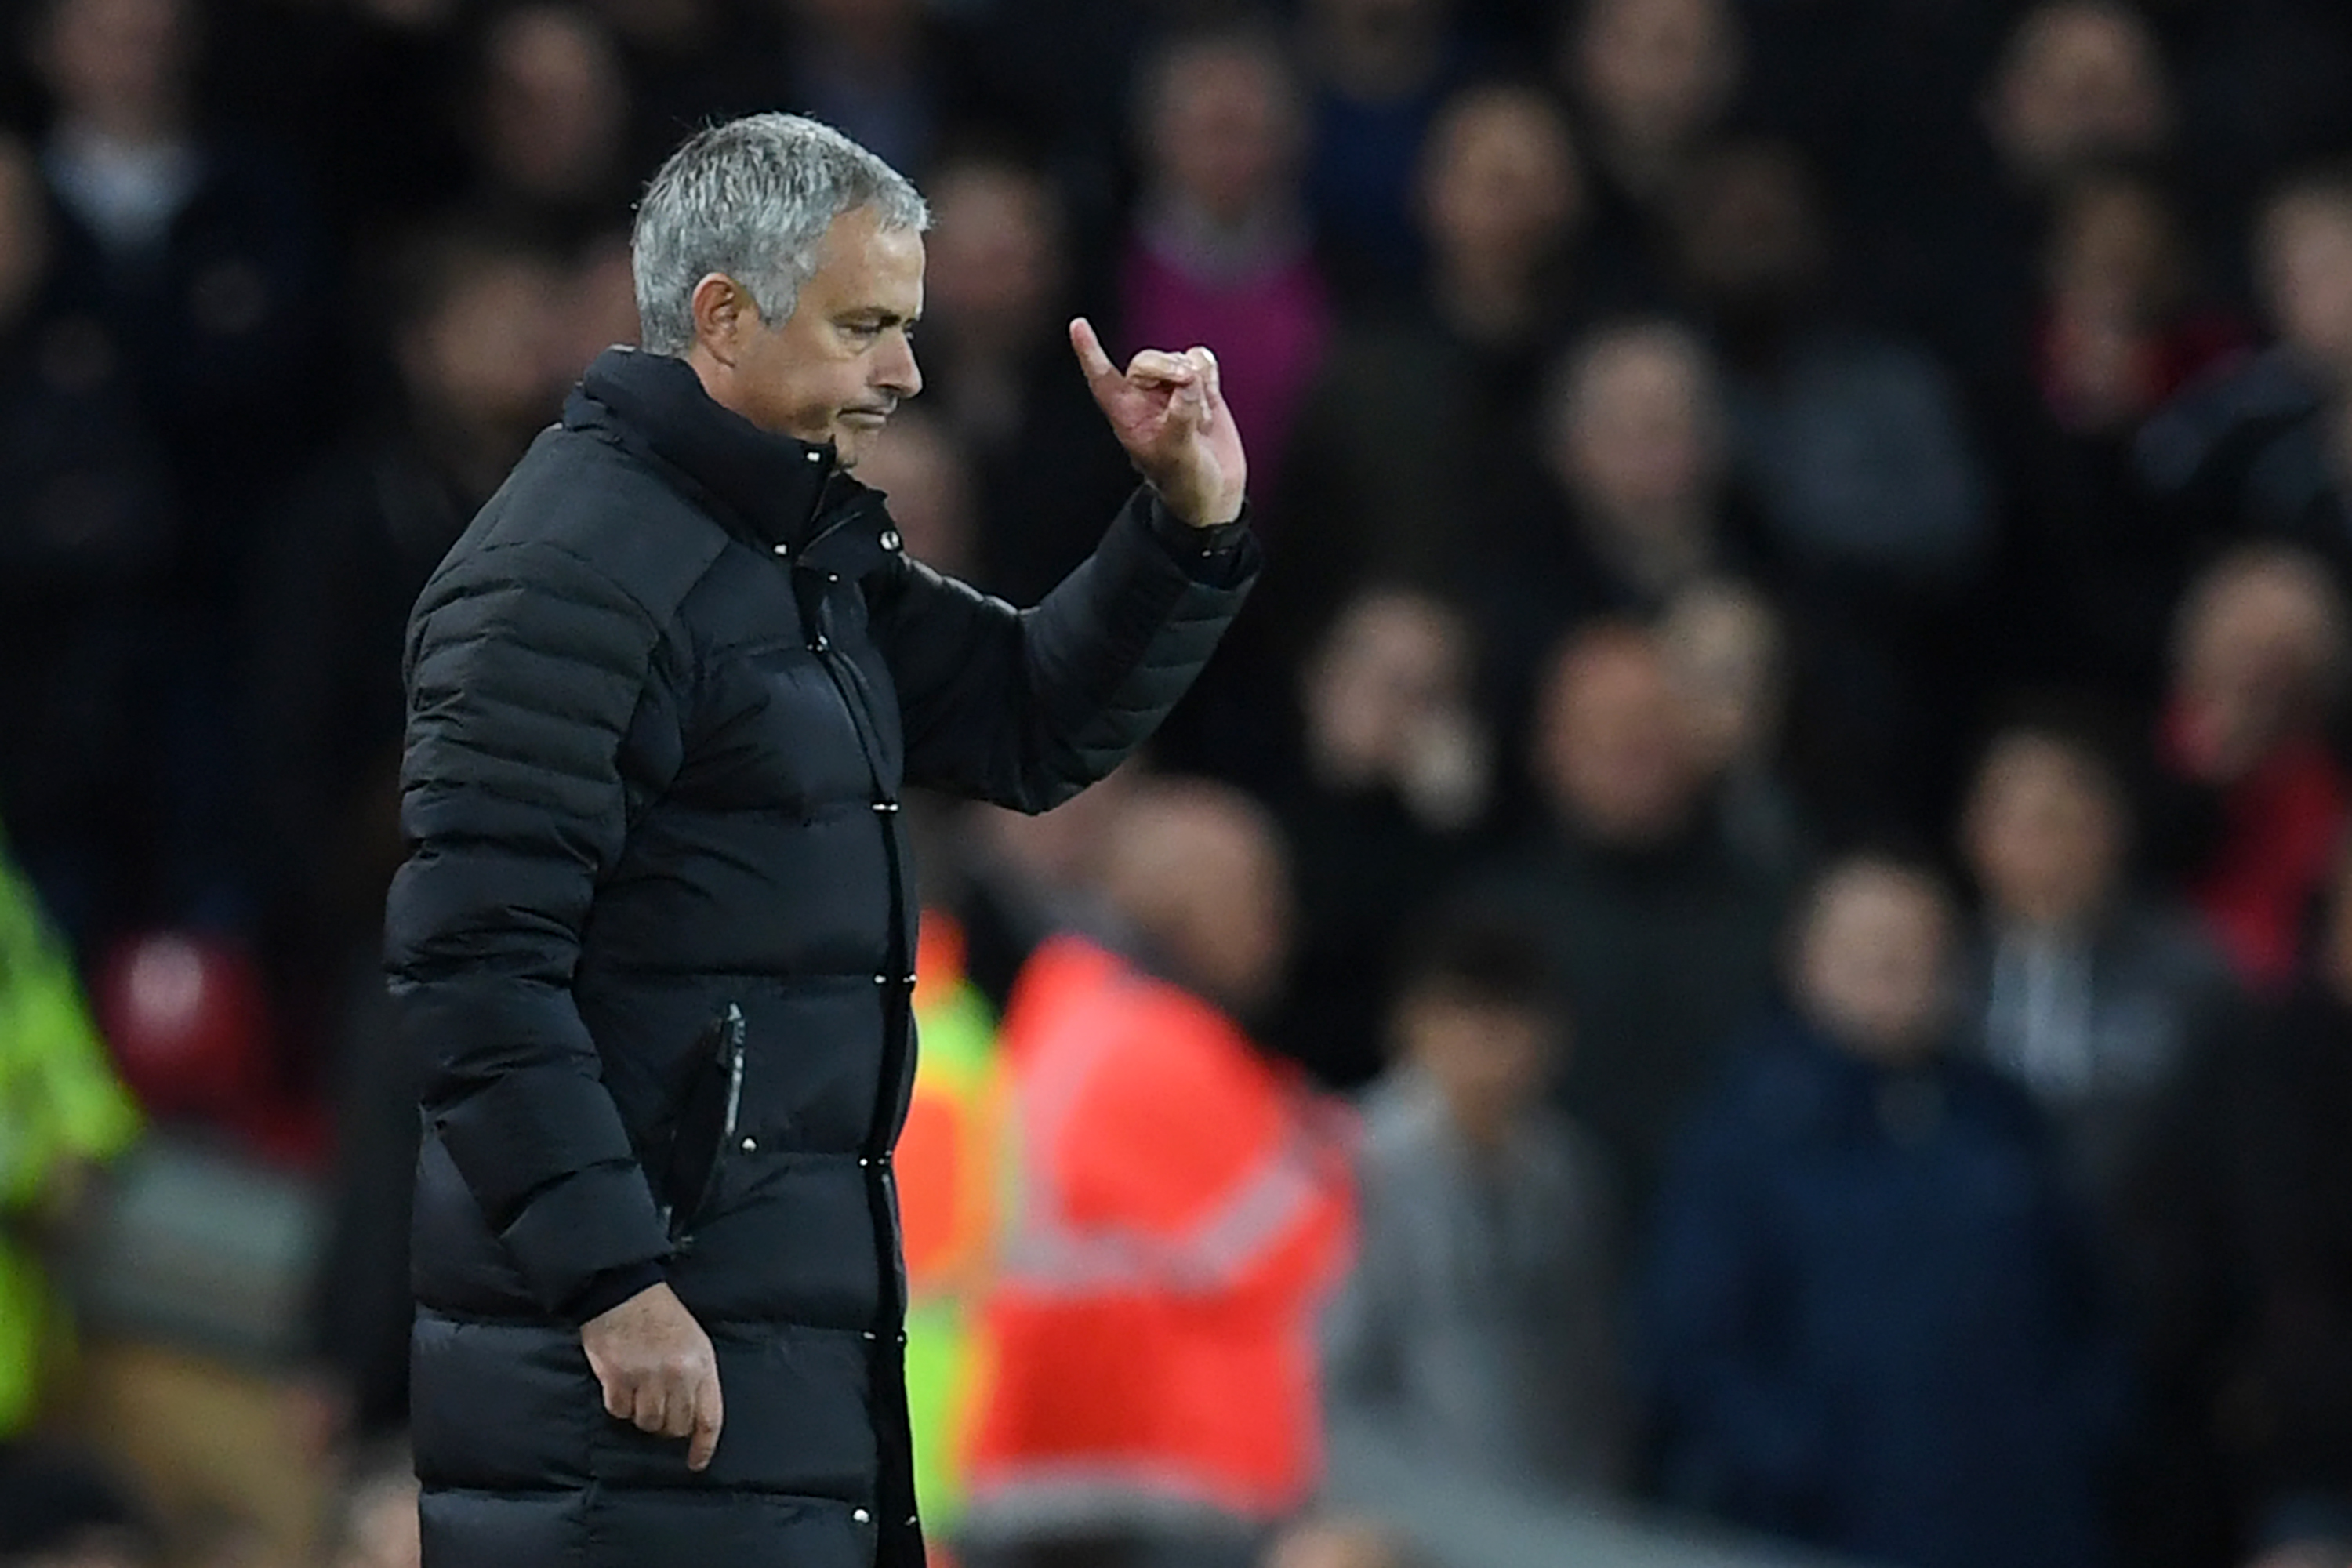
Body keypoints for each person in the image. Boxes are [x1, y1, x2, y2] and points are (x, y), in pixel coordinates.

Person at [386, 113, 1261, 1568]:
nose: (907, 372)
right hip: (635, 1403)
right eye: (866, 326)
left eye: (905, 328)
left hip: (772, 1376)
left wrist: (1180, 526)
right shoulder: (568, 577)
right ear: (723, 318)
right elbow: (472, 967)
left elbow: (1028, 722)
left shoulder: (787, 556)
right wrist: (614, 1285)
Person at [1640, 853, 2122, 1568]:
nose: (1893, 968)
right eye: (1866, 948)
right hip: (1824, 1529)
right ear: (1804, 961)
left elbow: (2090, 1303)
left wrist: (2075, 1438)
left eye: (1916, 948)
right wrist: (1797, 1466)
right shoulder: (1744, 1135)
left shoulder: (2001, 1117)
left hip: (2021, 1523)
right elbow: (1694, 1343)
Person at [963, 782, 1354, 1568]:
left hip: (1058, 1472)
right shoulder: (1158, 1047)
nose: (1275, 929)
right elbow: (1308, 1230)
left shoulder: (1075, 1016)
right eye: (1256, 895)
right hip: (1154, 1480)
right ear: (1182, 903)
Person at [1322, 909, 1628, 1499]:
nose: (1493, 1053)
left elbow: (1588, 1371)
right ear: (1414, 1024)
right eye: (1469, 1023)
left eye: (1514, 1027)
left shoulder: (1565, 1173)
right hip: (1402, 1507)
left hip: (1548, 1503)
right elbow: (1331, 1376)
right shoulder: (1354, 1164)